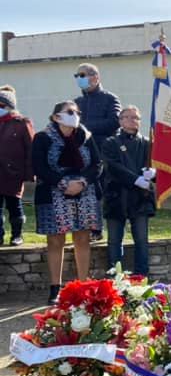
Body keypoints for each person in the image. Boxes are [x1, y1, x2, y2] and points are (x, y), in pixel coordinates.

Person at [32, 100, 102, 304]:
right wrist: (63, 183)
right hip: (53, 193)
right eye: (69, 112)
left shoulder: (86, 136)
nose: (75, 115)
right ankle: (56, 288)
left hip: (84, 192)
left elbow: (97, 164)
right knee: (56, 240)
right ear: (56, 117)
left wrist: (82, 181)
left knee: (82, 238)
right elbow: (39, 166)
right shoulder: (43, 137)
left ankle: (83, 286)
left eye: (77, 112)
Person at [101, 106, 156, 277]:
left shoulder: (148, 143)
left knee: (141, 239)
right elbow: (113, 166)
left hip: (140, 198)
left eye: (136, 117)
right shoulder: (111, 143)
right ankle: (115, 276)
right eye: (128, 117)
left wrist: (153, 173)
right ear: (120, 120)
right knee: (115, 240)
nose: (133, 120)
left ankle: (142, 275)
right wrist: (136, 179)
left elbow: (156, 165)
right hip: (117, 196)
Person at [74, 63, 120, 242]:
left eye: (83, 75)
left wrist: (85, 127)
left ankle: (100, 229)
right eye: (77, 75)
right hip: (81, 153)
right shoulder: (77, 102)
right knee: (86, 190)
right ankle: (89, 228)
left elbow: (114, 122)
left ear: (96, 77)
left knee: (102, 191)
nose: (80, 78)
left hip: (103, 152)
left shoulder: (110, 98)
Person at [0, 86, 35, 245]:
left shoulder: (21, 123)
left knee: (14, 206)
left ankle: (16, 235)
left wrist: (29, 175)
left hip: (13, 173)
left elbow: (30, 149)